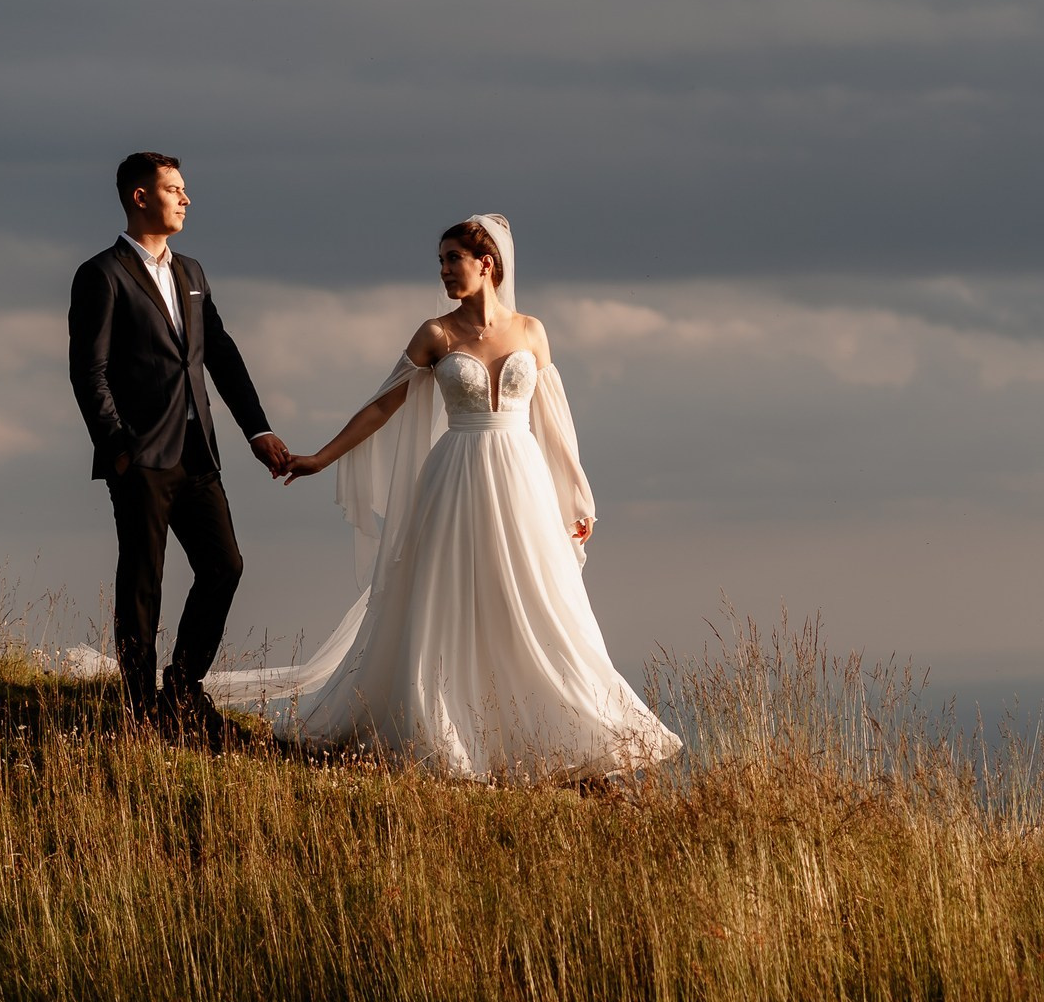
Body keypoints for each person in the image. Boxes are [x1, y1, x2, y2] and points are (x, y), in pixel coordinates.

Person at [208, 213, 680, 779]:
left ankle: (548, 730)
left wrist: (578, 496)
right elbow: (384, 403)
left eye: (453, 259)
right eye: (440, 262)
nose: (444, 272)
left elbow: (554, 420)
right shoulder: (436, 334)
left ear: (488, 264)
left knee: (534, 597)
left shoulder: (531, 330)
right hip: (456, 475)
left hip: (522, 479)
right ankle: (448, 729)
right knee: (448, 595)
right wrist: (321, 457)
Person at [66, 152, 292, 744]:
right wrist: (120, 451)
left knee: (225, 566)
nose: (186, 199)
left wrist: (257, 429)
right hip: (141, 459)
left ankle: (183, 692)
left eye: (185, 189)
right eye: (174, 189)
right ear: (140, 197)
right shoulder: (103, 274)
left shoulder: (192, 271)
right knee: (143, 583)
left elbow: (219, 352)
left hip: (199, 455)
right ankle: (141, 714)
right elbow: (88, 372)